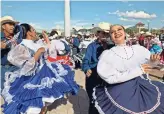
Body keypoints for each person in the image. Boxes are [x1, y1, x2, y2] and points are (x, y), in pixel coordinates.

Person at [1, 23, 79, 114]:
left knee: (44, 101)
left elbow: (48, 51)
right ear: (29, 33)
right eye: (33, 30)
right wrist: (37, 54)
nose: (35, 32)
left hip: (44, 74)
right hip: (31, 79)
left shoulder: (36, 43)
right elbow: (25, 67)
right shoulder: (21, 46)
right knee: (32, 106)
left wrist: (45, 40)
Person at [93, 24, 164, 114]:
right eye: (112, 32)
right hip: (121, 91)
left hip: (142, 87)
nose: (116, 32)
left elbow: (148, 66)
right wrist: (138, 70)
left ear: (125, 33)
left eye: (119, 29)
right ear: (110, 37)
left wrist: (153, 61)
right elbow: (111, 78)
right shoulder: (107, 55)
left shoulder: (138, 49)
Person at [82, 30, 114, 114]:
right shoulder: (92, 46)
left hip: (108, 78)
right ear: (98, 34)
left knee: (108, 102)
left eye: (107, 33)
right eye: (103, 33)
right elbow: (86, 60)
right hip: (94, 75)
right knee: (94, 101)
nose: (105, 35)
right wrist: (86, 68)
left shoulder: (112, 46)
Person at [0, 16, 19, 91]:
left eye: (13, 24)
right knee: (6, 93)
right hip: (7, 68)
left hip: (17, 67)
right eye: (10, 24)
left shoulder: (15, 37)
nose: (12, 26)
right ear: (3, 26)